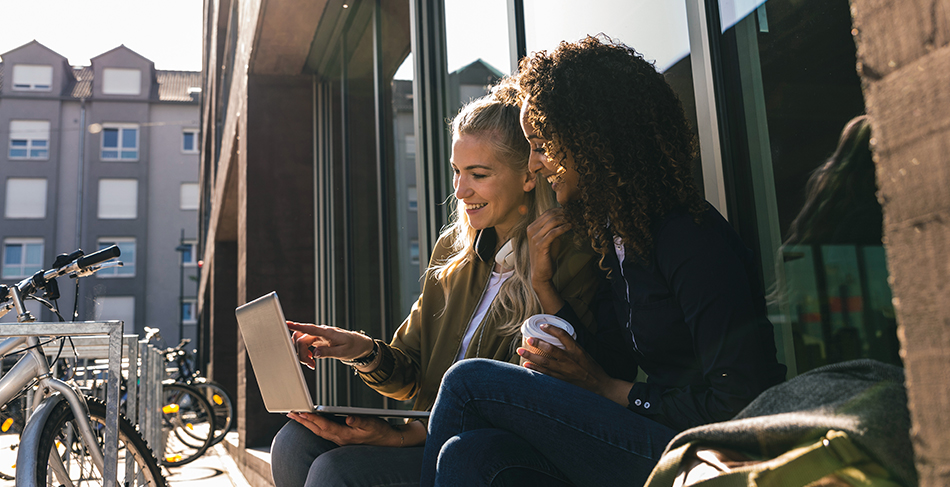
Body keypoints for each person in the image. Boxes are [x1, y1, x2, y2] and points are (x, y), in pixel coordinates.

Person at [420, 35, 788, 487]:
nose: (534, 165)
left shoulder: (689, 238)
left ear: (591, 142)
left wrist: (613, 391)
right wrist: (545, 287)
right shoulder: (618, 238)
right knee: (474, 455)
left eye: (540, 145)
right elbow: (610, 364)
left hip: (709, 451)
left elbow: (738, 400)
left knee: (470, 381)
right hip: (653, 433)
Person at [269, 86, 602, 487]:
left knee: (336, 471)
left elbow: (526, 403)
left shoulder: (572, 257)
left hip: (481, 454)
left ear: (529, 175)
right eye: (457, 172)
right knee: (294, 440)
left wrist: (401, 437)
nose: (460, 191)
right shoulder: (455, 250)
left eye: (478, 175)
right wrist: (357, 349)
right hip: (424, 435)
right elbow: (411, 373)